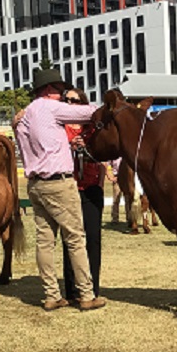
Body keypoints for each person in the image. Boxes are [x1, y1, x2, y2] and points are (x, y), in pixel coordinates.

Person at [13, 68, 106, 311]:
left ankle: (51, 295)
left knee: (45, 241)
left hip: (35, 184)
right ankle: (86, 294)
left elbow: (37, 145)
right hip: (59, 182)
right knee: (75, 238)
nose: (62, 95)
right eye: (59, 90)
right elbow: (90, 112)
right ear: (48, 90)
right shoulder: (49, 107)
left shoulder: (22, 118)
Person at [62, 88, 106, 304]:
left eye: (75, 100)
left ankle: (92, 288)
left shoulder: (92, 130)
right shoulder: (59, 129)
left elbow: (102, 158)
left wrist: (99, 183)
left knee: (93, 240)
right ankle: (71, 291)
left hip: (91, 188)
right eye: (66, 100)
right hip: (68, 188)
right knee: (70, 240)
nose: (70, 104)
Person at [106, 157, 129, 225]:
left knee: (127, 199)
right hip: (117, 177)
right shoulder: (114, 155)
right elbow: (107, 164)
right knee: (116, 199)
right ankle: (115, 219)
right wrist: (110, 176)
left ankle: (129, 218)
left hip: (127, 178)